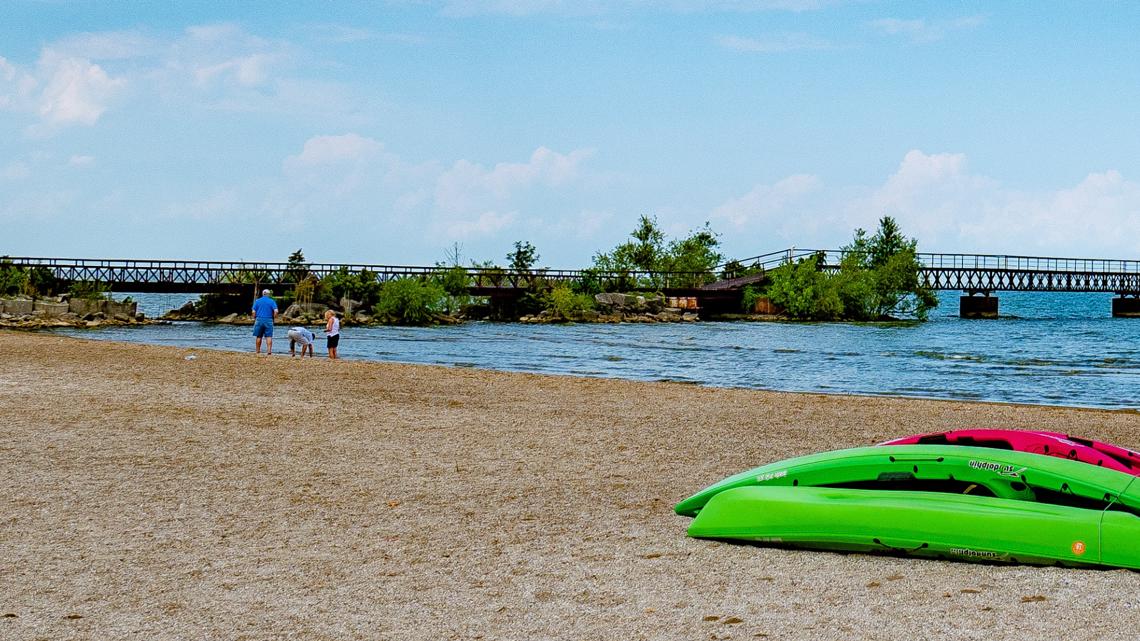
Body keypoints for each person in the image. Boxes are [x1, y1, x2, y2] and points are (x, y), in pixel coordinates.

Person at [251, 289, 278, 355]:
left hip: (259, 319)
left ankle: (257, 351)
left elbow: (253, 311)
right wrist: (274, 317)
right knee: (269, 336)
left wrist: (255, 318)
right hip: (269, 319)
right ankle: (269, 351)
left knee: (259, 336)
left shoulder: (257, 301)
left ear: (263, 294)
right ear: (268, 294)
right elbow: (276, 311)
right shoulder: (272, 301)